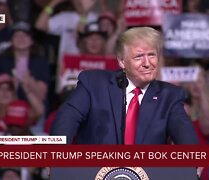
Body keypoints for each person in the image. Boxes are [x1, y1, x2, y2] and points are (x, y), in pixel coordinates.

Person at [51, 27, 198, 145]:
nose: (148, 63)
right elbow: (68, 117)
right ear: (122, 62)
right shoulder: (94, 84)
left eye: (152, 55)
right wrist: (57, 151)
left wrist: (194, 156)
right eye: (139, 57)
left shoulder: (169, 95)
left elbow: (183, 131)